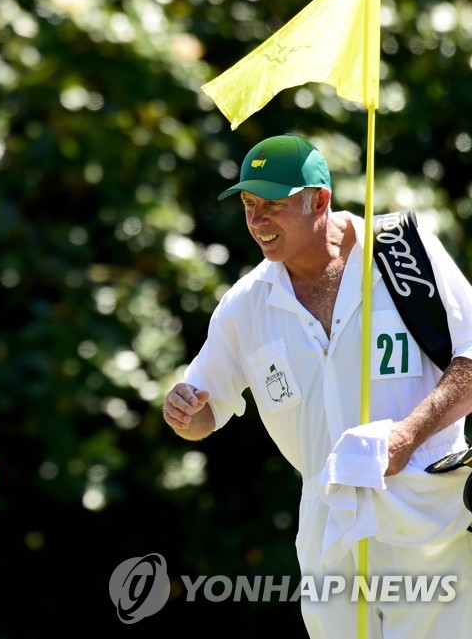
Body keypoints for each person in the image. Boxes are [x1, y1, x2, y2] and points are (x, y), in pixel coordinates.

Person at [162, 133, 472, 638]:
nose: (257, 221)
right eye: (248, 204)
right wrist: (183, 410)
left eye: (274, 205)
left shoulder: (404, 254)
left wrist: (407, 435)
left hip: (429, 521)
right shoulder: (246, 304)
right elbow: (202, 413)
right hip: (329, 532)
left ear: (320, 200)